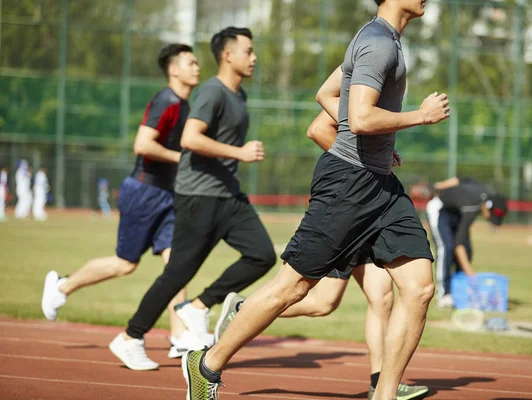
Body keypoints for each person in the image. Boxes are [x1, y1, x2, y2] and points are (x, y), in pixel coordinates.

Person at [182, 1, 450, 399]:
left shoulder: (378, 38)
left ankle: (385, 395)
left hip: (381, 185)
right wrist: (419, 116)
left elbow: (327, 94)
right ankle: (207, 364)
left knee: (419, 287)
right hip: (348, 183)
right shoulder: (379, 44)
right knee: (293, 288)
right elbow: (359, 119)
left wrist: (377, 144)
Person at [215, 109, 429, 400]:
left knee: (384, 296)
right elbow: (318, 128)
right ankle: (243, 309)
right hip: (352, 202)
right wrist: (365, 165)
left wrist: (379, 159)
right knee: (320, 301)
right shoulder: (362, 78)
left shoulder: (386, 85)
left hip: (378, 202)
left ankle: (380, 383)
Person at [109, 26, 276, 371]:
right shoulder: (211, 93)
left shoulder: (239, 96)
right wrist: (239, 153)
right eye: (248, 51)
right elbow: (190, 138)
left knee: (262, 254)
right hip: (198, 196)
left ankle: (198, 307)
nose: (254, 57)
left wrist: (235, 160)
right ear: (228, 55)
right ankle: (130, 337)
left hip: (228, 196)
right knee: (177, 273)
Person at [41, 43, 206, 366]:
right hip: (144, 192)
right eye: (191, 62)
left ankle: (179, 337)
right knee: (124, 264)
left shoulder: (185, 105)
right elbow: (142, 144)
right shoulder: (167, 101)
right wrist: (183, 159)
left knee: (177, 265)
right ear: (174, 69)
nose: (198, 67)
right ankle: (63, 285)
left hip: (168, 195)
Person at [425, 177, 507, 308]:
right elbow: (458, 246)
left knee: (467, 250)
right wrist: (472, 277)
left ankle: (458, 289)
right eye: (491, 217)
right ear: (486, 207)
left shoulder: (484, 191)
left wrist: (439, 184)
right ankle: (444, 294)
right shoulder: (471, 207)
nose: (489, 219)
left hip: (456, 213)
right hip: (440, 208)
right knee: (447, 248)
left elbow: (459, 180)